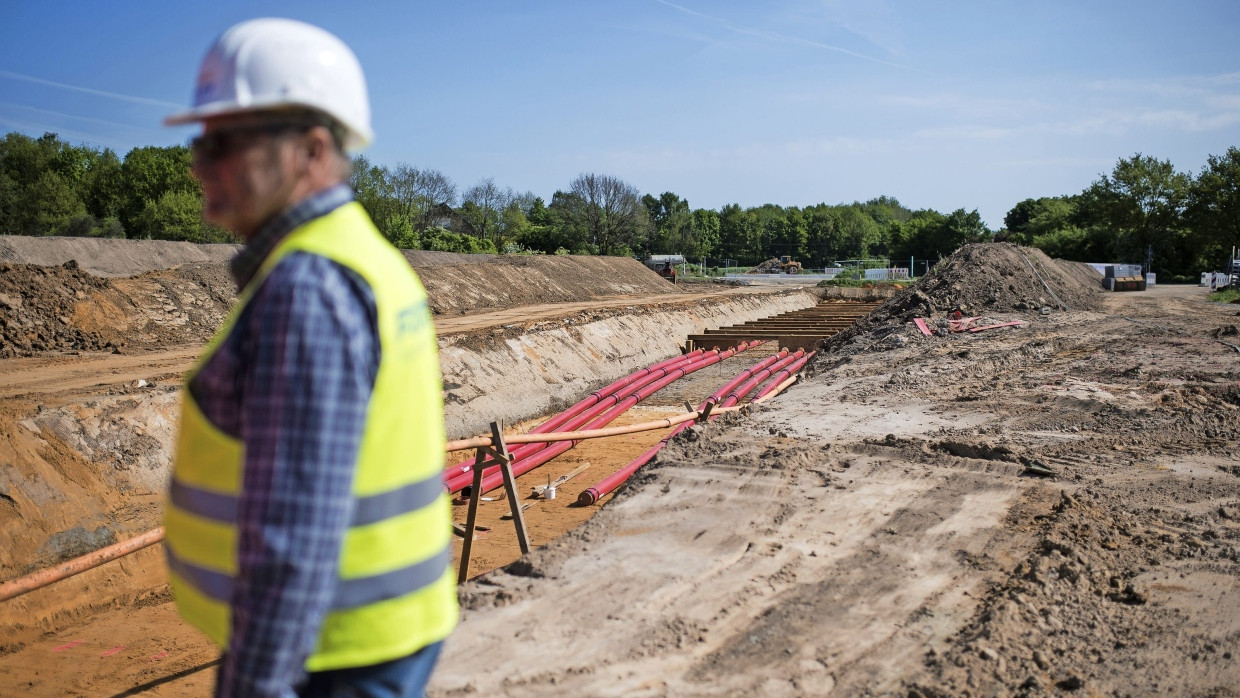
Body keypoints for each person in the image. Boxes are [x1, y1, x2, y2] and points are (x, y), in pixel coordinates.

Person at [162, 18, 456, 698]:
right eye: (199, 140)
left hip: (331, 659)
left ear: (312, 149)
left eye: (226, 140)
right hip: (379, 638)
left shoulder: (307, 285)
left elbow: (291, 541)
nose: (199, 162)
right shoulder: (360, 254)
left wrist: (256, 685)